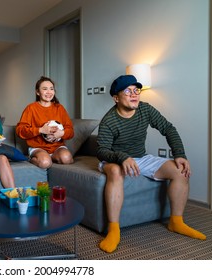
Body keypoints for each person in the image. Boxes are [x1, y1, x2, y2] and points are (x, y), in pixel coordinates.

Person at [97, 74, 206, 253]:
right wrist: (122, 157)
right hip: (113, 159)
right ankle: (114, 229)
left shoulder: (145, 109)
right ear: (116, 98)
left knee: (179, 170)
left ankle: (176, 222)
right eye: (127, 91)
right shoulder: (109, 121)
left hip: (141, 157)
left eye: (136, 90)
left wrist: (179, 154)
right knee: (116, 171)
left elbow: (168, 128)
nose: (134, 94)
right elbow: (101, 151)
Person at [16, 76, 74, 169]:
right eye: (45, 89)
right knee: (45, 162)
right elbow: (20, 131)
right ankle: (34, 159)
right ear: (38, 92)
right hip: (38, 148)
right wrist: (40, 130)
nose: (49, 92)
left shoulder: (59, 108)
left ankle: (51, 158)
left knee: (66, 158)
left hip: (57, 147)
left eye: (51, 89)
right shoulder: (31, 108)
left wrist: (62, 133)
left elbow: (71, 131)